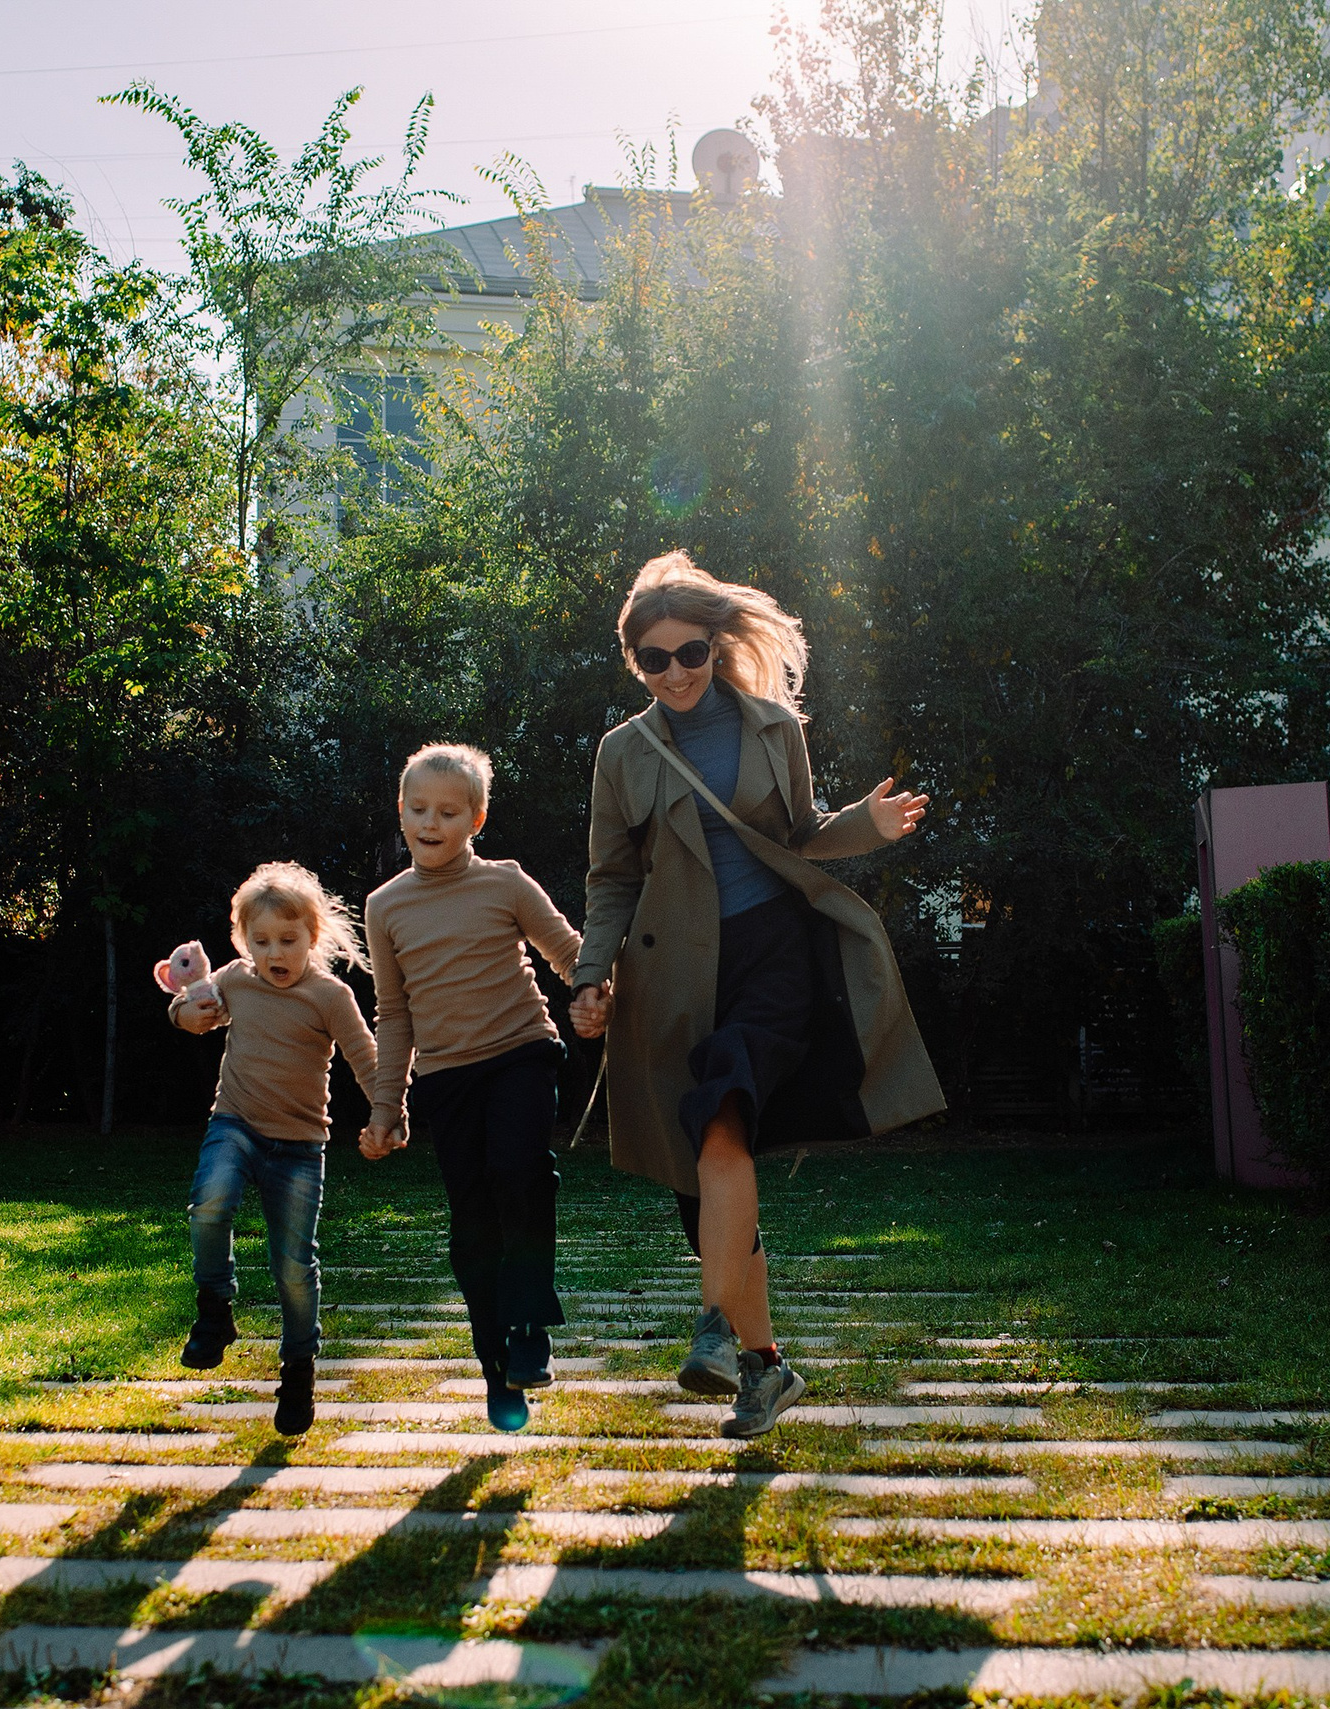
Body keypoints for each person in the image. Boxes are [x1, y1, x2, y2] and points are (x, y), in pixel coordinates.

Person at [568, 551, 943, 1439]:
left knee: (727, 1111)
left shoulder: (774, 727)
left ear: (716, 644)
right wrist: (591, 974)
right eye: (654, 659)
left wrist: (870, 825)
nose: (677, 672)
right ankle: (766, 1368)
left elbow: (805, 834)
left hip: (774, 955)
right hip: (673, 978)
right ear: (636, 666)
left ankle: (708, 1323)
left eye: (690, 651)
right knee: (707, 1181)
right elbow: (610, 878)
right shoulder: (623, 753)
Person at [358, 744, 583, 1433]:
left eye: (448, 811)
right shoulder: (385, 905)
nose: (430, 822)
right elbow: (393, 1014)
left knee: (521, 1175)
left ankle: (530, 1328)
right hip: (447, 1079)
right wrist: (386, 1102)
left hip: (521, 1054)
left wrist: (602, 989)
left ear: (475, 818)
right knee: (472, 1227)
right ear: (402, 812)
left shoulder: (507, 883)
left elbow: (569, 953)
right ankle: (497, 1364)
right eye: (418, 809)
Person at [170, 861, 377, 1436]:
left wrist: (389, 1112)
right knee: (209, 1203)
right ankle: (215, 1309)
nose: (274, 952)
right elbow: (192, 1012)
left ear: (312, 937)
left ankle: (299, 1371)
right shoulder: (236, 980)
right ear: (243, 943)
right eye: (260, 941)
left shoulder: (329, 996)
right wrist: (186, 1011)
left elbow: (366, 1059)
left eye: (287, 940)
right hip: (234, 1124)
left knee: (293, 1265)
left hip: (300, 1145)